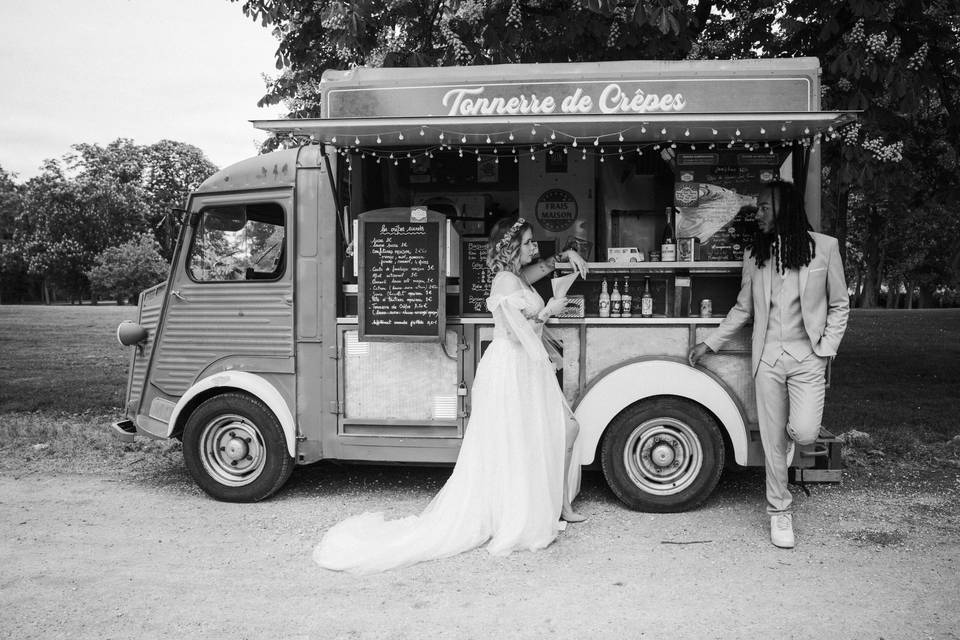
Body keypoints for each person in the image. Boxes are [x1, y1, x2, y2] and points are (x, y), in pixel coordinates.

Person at [314, 217, 589, 573]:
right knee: (523, 436)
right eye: (529, 243)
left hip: (522, 367)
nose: (536, 248)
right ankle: (528, 510)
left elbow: (541, 271)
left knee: (540, 432)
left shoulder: (517, 277)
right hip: (513, 365)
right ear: (511, 248)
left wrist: (566, 255)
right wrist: (550, 311)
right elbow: (524, 335)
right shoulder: (506, 281)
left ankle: (553, 505)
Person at [688, 180, 849, 549]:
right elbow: (744, 308)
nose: (756, 213)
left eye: (763, 207)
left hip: (808, 357)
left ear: (784, 208)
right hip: (767, 359)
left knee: (805, 432)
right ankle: (779, 511)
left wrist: (827, 348)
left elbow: (839, 304)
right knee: (772, 442)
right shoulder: (755, 253)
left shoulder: (825, 248)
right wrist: (711, 342)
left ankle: (792, 447)